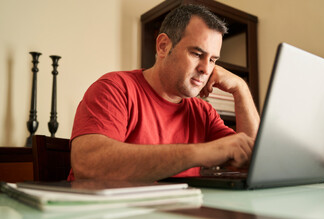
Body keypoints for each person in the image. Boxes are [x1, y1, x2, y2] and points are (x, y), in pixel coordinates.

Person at [69, 4, 260, 182]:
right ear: (163, 46)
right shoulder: (115, 88)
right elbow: (87, 164)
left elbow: (255, 162)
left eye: (212, 60)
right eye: (196, 54)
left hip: (174, 214)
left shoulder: (203, 112)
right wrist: (199, 153)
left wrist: (241, 89)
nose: (205, 69)